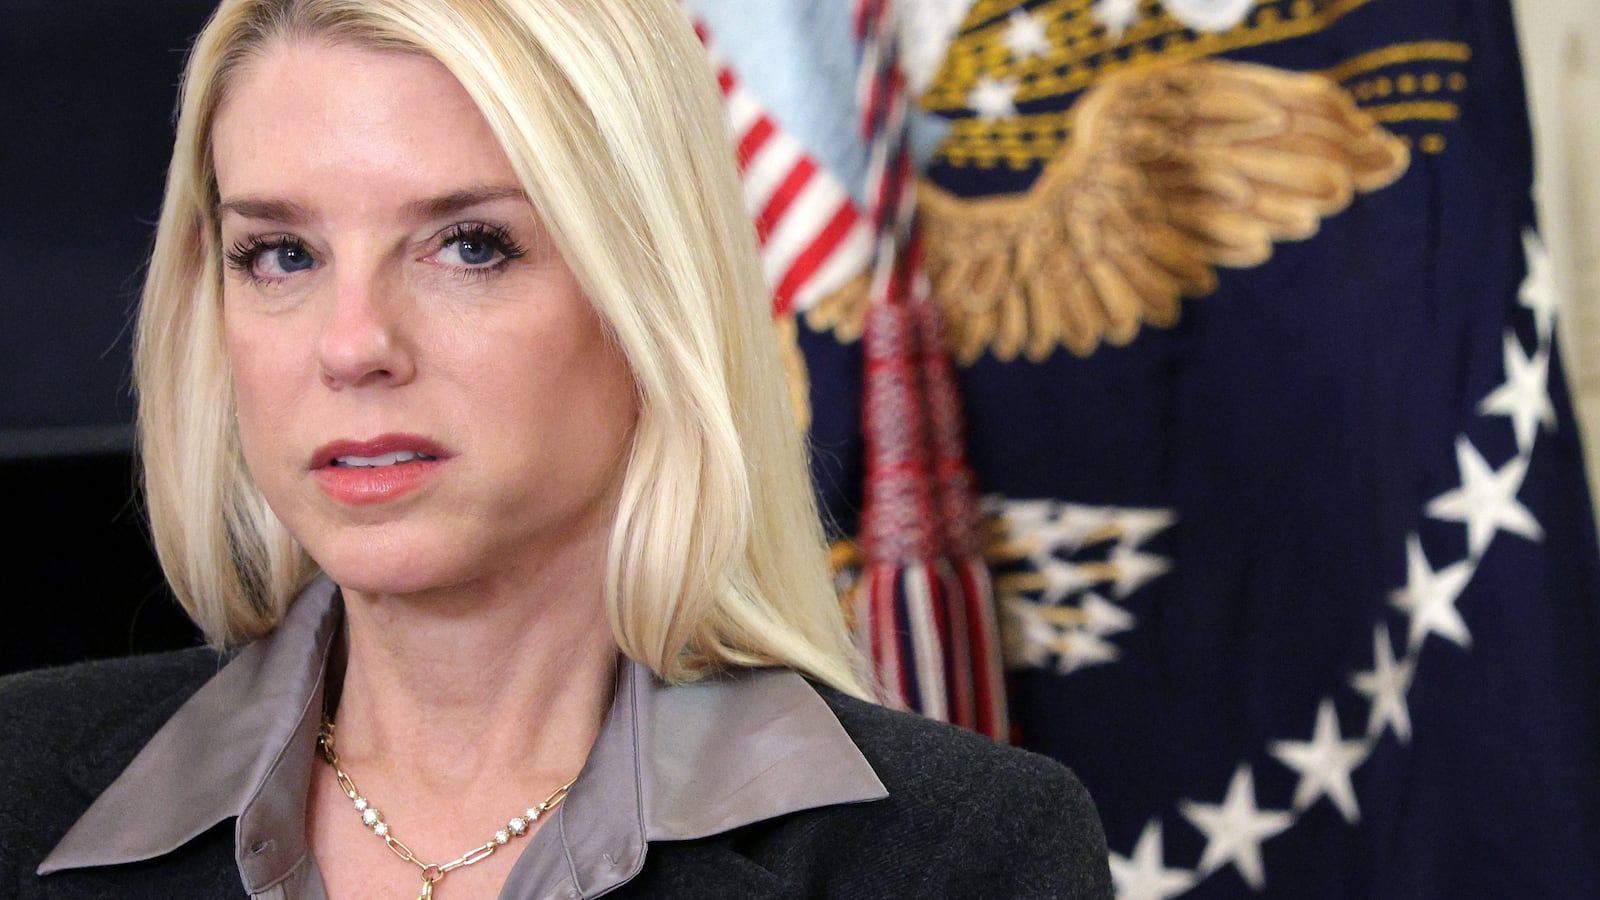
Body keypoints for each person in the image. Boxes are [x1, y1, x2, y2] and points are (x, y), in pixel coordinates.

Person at [0, 1, 1114, 897]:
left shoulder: (959, 854)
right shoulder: (16, 778)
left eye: (471, 245)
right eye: (281, 254)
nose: (353, 346)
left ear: (648, 302)